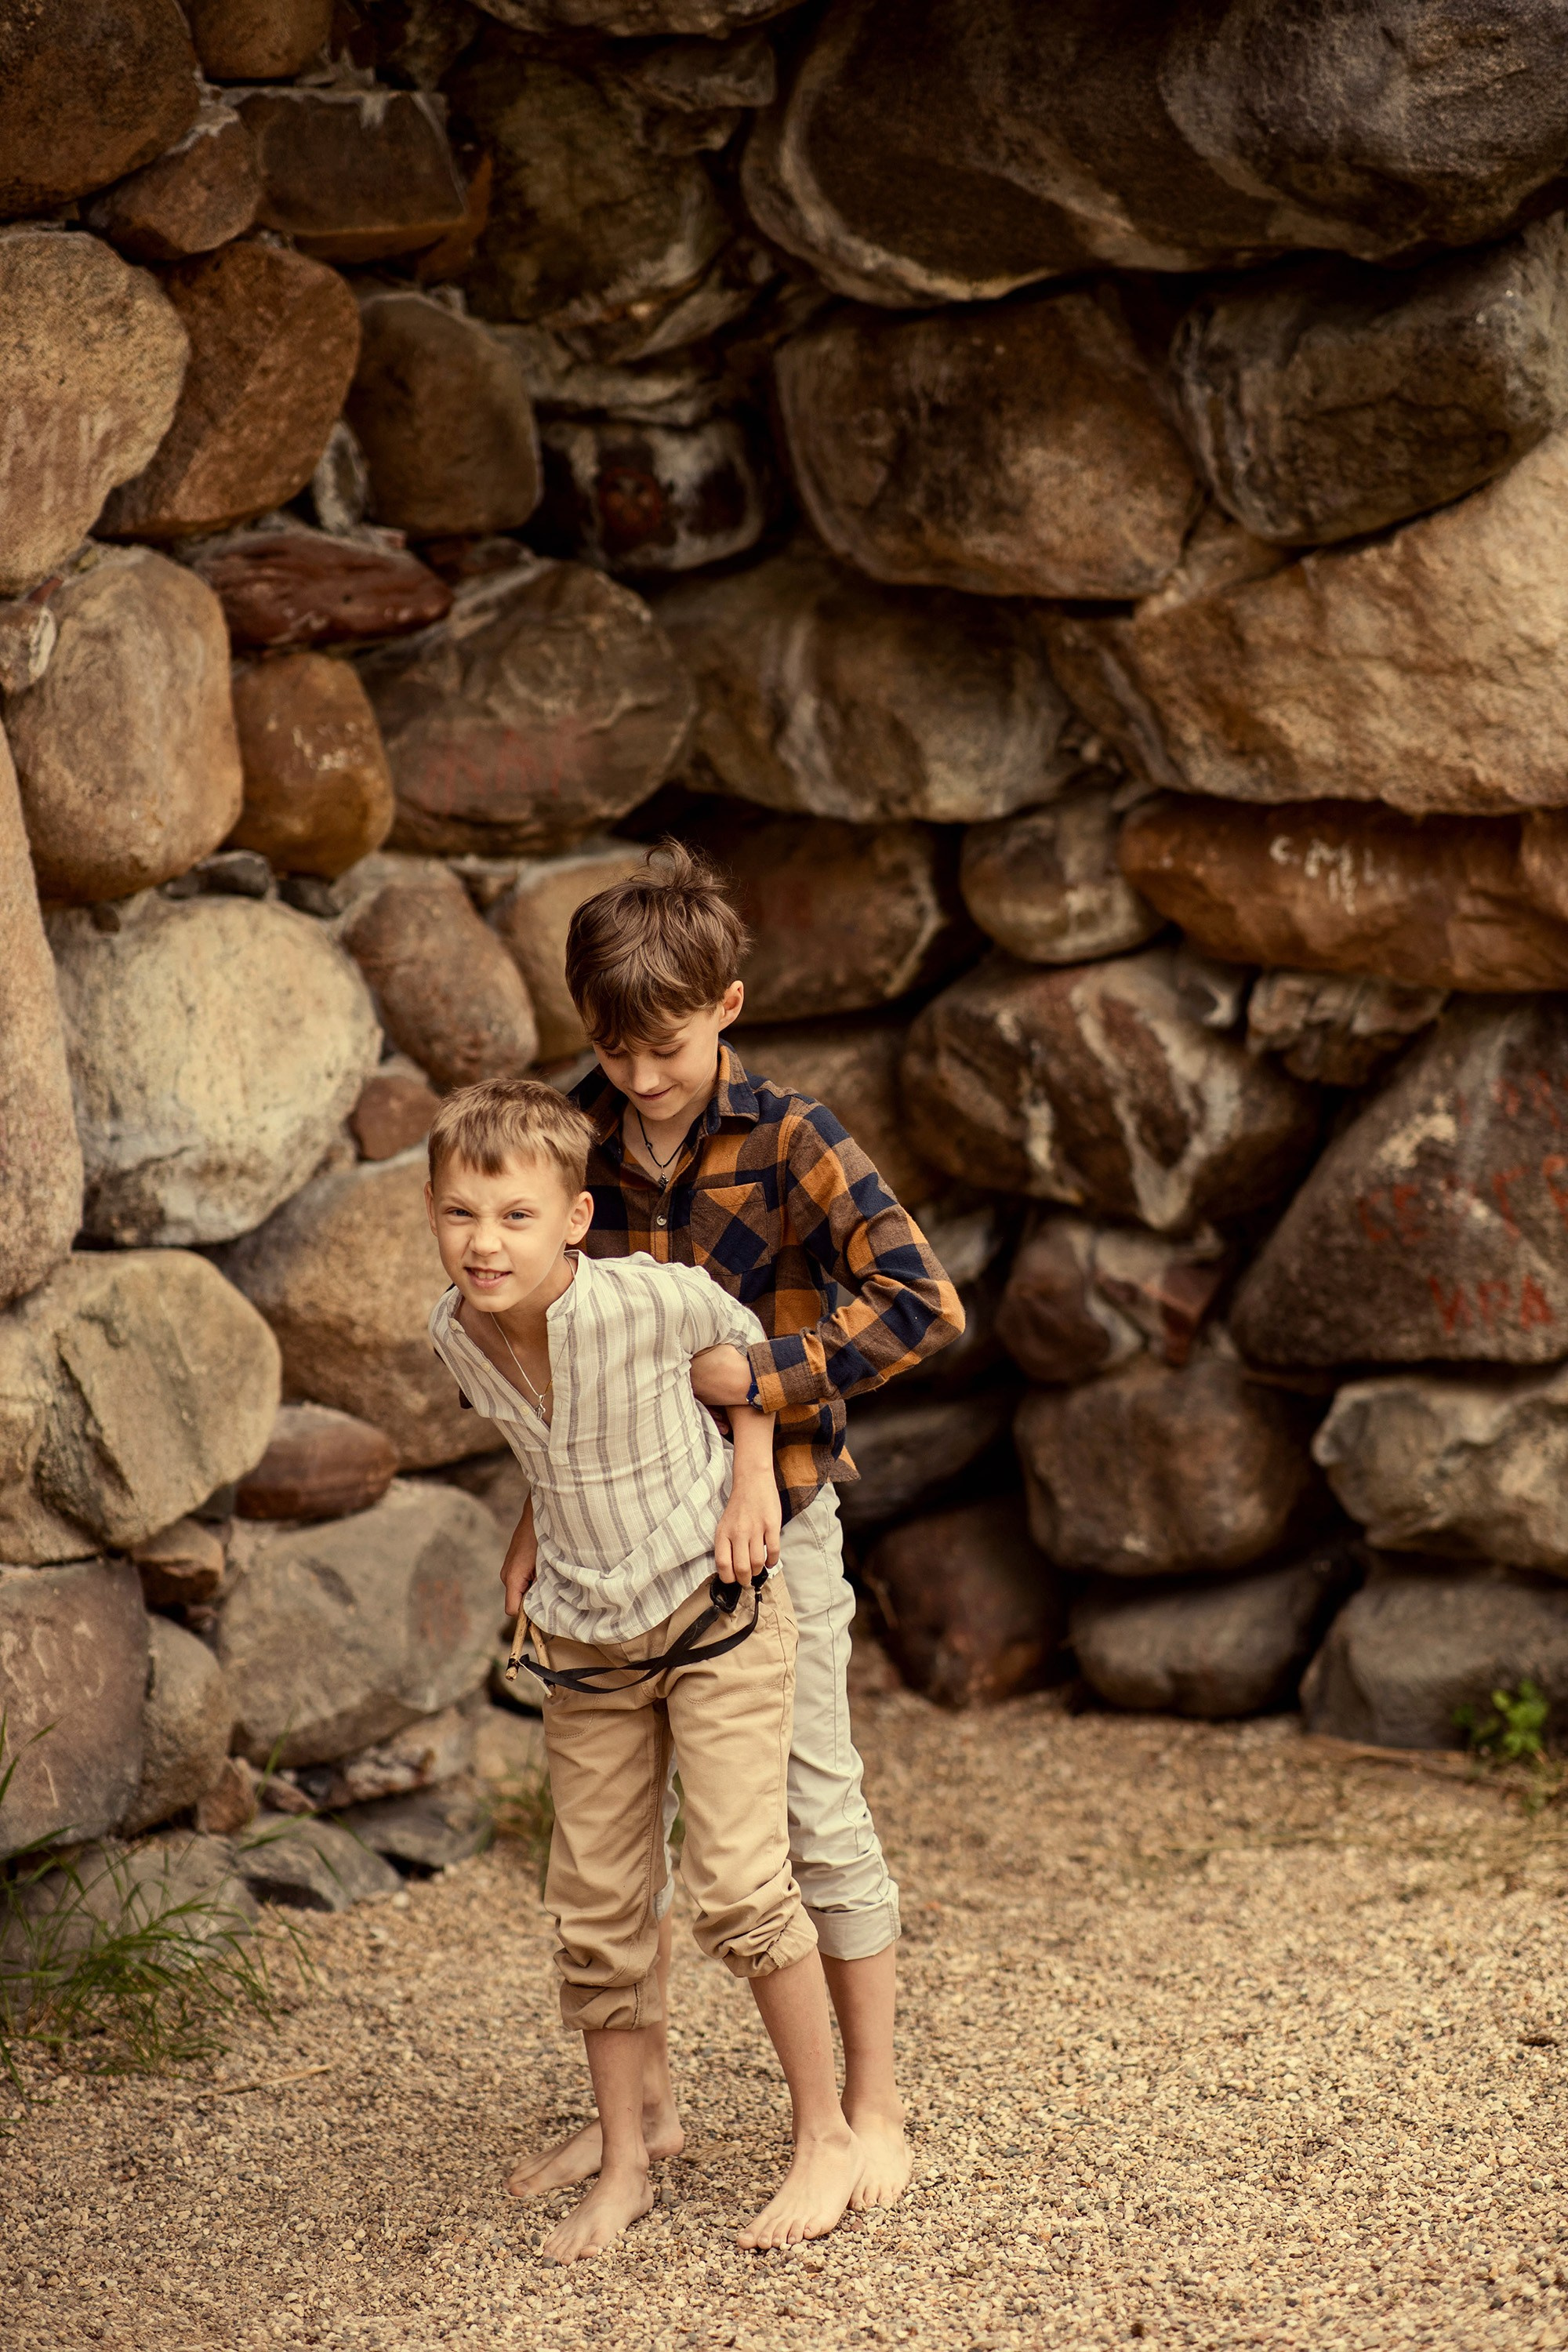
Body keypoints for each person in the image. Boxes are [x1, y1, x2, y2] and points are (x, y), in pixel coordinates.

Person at [499, 841, 964, 2215]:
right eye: (614, 1048)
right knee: (615, 1840)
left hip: (778, 1524)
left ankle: (869, 2117)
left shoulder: (792, 1137)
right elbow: (547, 1344)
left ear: (730, 1006)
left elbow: (923, 1303)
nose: (641, 1079)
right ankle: (642, 2120)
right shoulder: (569, 1133)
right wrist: (533, 1513)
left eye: (670, 1046)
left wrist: (764, 1380)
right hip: (610, 1528)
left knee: (809, 1803)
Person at [425, 1077, 866, 2261]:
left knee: (735, 1881)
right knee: (598, 1912)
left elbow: (747, 1353)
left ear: (575, 1216)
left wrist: (750, 1483)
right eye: (462, 1215)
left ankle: (823, 2131)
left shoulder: (645, 1297)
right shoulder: (452, 1336)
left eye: (515, 1216)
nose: (485, 1242)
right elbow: (550, 1443)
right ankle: (629, 2157)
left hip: (711, 1610)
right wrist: (533, 1532)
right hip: (588, 1641)